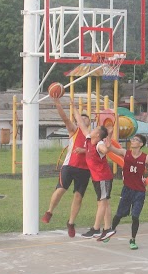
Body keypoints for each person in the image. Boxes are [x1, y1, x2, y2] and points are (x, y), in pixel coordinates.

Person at [41, 98, 90, 238]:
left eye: (86, 117)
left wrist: (84, 151)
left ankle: (71, 223)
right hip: (69, 166)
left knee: (78, 197)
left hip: (85, 170)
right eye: (81, 117)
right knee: (60, 189)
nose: (83, 118)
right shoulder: (74, 130)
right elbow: (64, 118)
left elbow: (97, 151)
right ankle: (49, 211)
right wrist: (57, 103)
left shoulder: (93, 136)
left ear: (90, 122)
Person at [107, 134, 148, 249]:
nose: (132, 141)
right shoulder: (125, 153)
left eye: (136, 140)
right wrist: (108, 142)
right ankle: (110, 231)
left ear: (141, 144)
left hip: (139, 192)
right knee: (119, 215)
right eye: (132, 139)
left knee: (135, 216)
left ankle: (132, 240)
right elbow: (112, 149)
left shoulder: (146, 158)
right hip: (127, 190)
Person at [71, 105, 114, 242]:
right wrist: (73, 107)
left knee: (102, 202)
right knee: (104, 202)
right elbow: (80, 122)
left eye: (95, 129)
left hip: (103, 178)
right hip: (97, 178)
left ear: (98, 134)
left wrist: (108, 143)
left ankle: (96, 229)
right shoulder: (89, 139)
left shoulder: (99, 144)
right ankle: (108, 228)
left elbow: (105, 150)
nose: (92, 129)